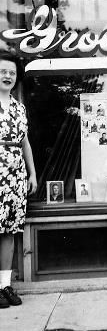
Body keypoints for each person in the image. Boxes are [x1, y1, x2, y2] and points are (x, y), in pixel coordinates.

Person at [0, 51, 37, 309]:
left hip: (14, 177)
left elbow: (25, 142)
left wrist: (32, 173)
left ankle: (5, 286)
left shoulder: (19, 107)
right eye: (3, 71)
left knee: (10, 232)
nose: (8, 76)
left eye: (12, 72)